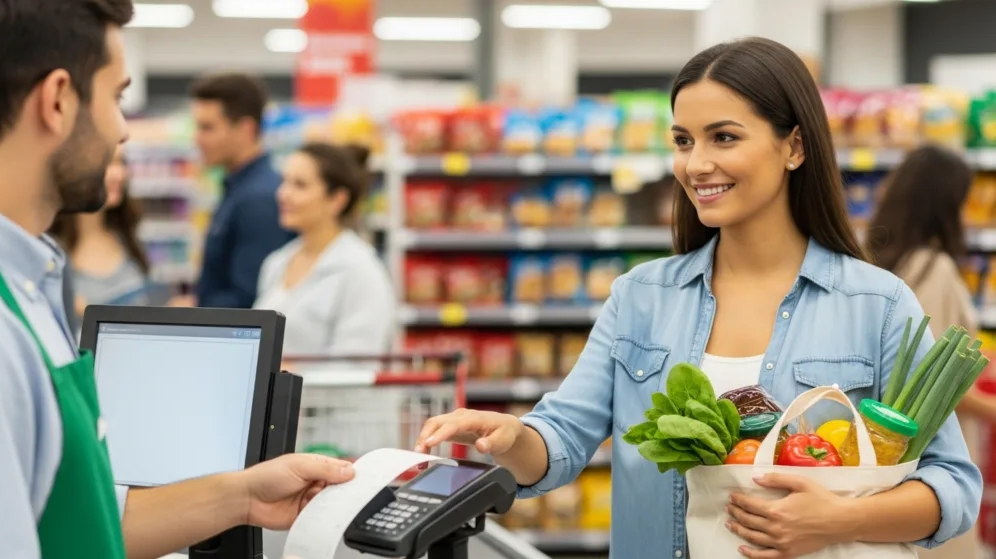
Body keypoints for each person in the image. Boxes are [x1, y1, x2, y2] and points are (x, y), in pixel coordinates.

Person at [416, 37, 982, 559]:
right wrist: (515, 436)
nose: (696, 163)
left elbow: (952, 488)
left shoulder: (876, 303)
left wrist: (837, 519)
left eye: (724, 137)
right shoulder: (642, 296)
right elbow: (561, 440)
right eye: (683, 141)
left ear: (794, 146)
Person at [0, 2, 355, 557]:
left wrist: (245, 495)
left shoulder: (27, 282)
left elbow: (81, 511)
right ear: (57, 100)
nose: (123, 130)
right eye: (116, 97)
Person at [868, 145, 991, 559]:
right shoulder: (932, 269)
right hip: (932, 456)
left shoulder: (881, 260)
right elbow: (934, 378)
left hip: (891, 456)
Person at [253, 142, 395, 359]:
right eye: (284, 182)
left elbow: (358, 367)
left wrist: (289, 377)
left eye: (300, 185)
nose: (283, 194)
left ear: (337, 199)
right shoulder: (277, 263)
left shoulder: (360, 272)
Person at [173, 72, 294, 309]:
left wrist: (195, 310)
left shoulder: (259, 200)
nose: (197, 139)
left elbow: (249, 299)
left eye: (207, 128)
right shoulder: (240, 188)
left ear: (246, 129)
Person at [49, 144, 156, 325]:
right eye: (107, 163)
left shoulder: (127, 234)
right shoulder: (52, 251)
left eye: (121, 163)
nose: (120, 174)